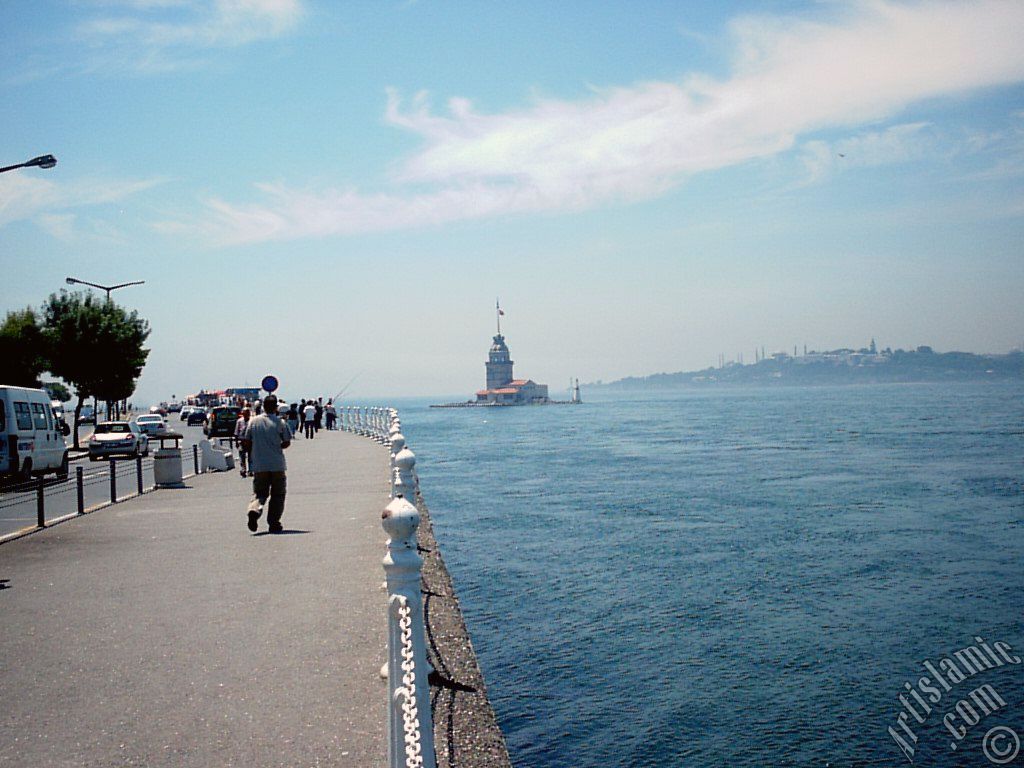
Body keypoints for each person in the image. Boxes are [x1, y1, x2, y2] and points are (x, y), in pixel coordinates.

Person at [241, 395, 292, 533]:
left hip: (259, 464)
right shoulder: (280, 423)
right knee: (278, 495)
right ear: (276, 407)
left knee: (260, 493)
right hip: (277, 464)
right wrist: (276, 446)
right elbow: (287, 441)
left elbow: (246, 441)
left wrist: (252, 454)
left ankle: (254, 510)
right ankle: (274, 522)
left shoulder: (253, 422)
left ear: (263, 406)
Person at [234, 407, 252, 477]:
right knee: (242, 456)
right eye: (244, 413)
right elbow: (236, 432)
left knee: (251, 456)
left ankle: (251, 470)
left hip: (250, 441)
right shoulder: (239, 421)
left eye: (247, 413)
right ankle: (243, 469)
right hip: (241, 441)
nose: (245, 415)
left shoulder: (252, 421)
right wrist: (236, 442)